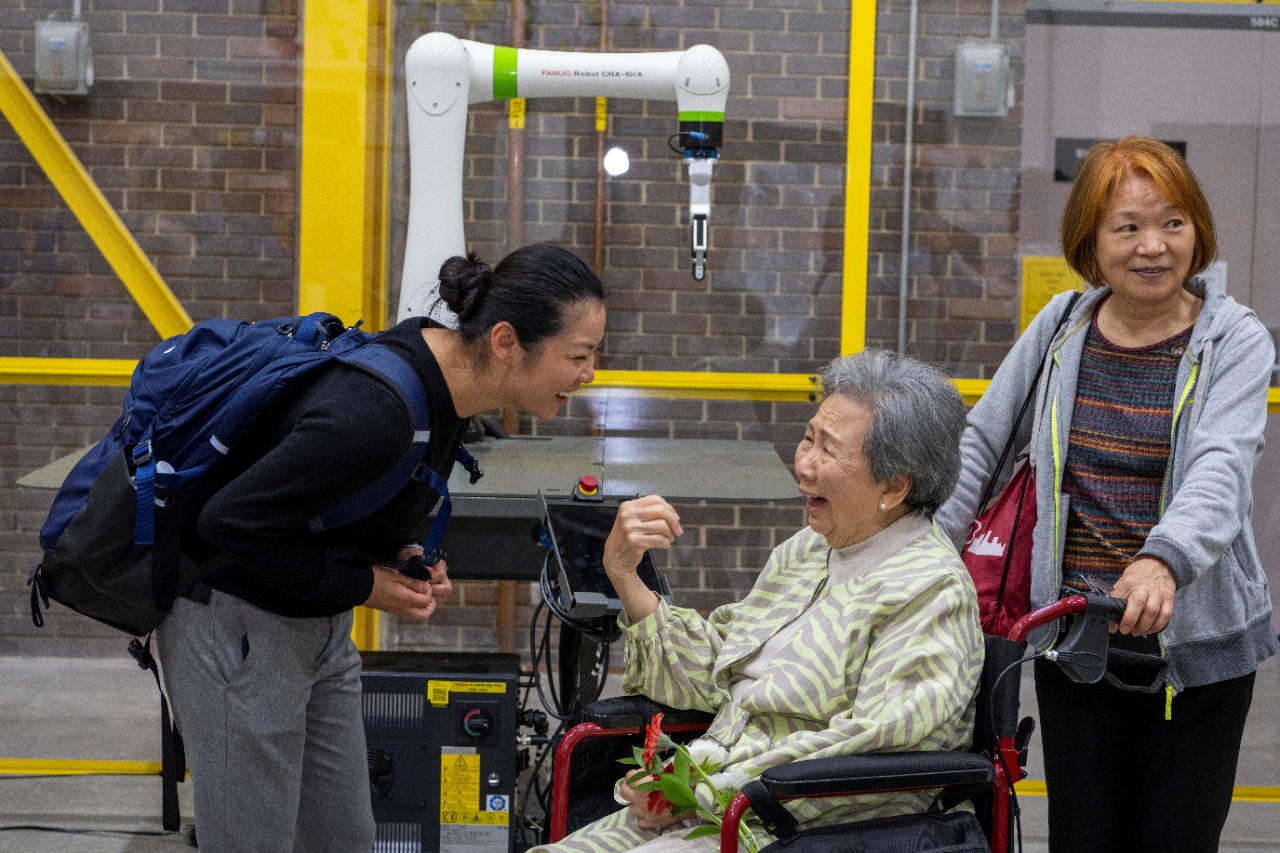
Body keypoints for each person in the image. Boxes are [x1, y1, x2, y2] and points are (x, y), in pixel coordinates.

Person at [156, 243, 606, 853]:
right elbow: (229, 524)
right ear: (505, 341)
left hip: (316, 626)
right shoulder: (374, 410)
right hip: (239, 626)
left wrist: (398, 551)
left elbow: (336, 498)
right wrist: (368, 585)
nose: (589, 374)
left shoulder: (443, 386)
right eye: (578, 355)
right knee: (250, 840)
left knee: (344, 840)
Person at [936, 136, 1277, 853]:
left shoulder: (1233, 340)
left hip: (1196, 650)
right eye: (1128, 226)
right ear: (1091, 241)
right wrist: (921, 561)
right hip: (1077, 643)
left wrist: (1163, 559)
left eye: (1173, 223)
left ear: (1197, 232)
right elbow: (980, 444)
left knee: (1174, 840)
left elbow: (1221, 464)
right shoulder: (1062, 327)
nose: (1153, 245)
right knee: (1084, 837)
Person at [538, 349, 984, 853]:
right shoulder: (808, 550)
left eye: (828, 450)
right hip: (717, 802)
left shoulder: (930, 589)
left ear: (894, 486)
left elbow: (879, 741)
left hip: (799, 825)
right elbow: (716, 673)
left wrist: (706, 790)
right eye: (807, 438)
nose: (804, 465)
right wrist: (624, 574)